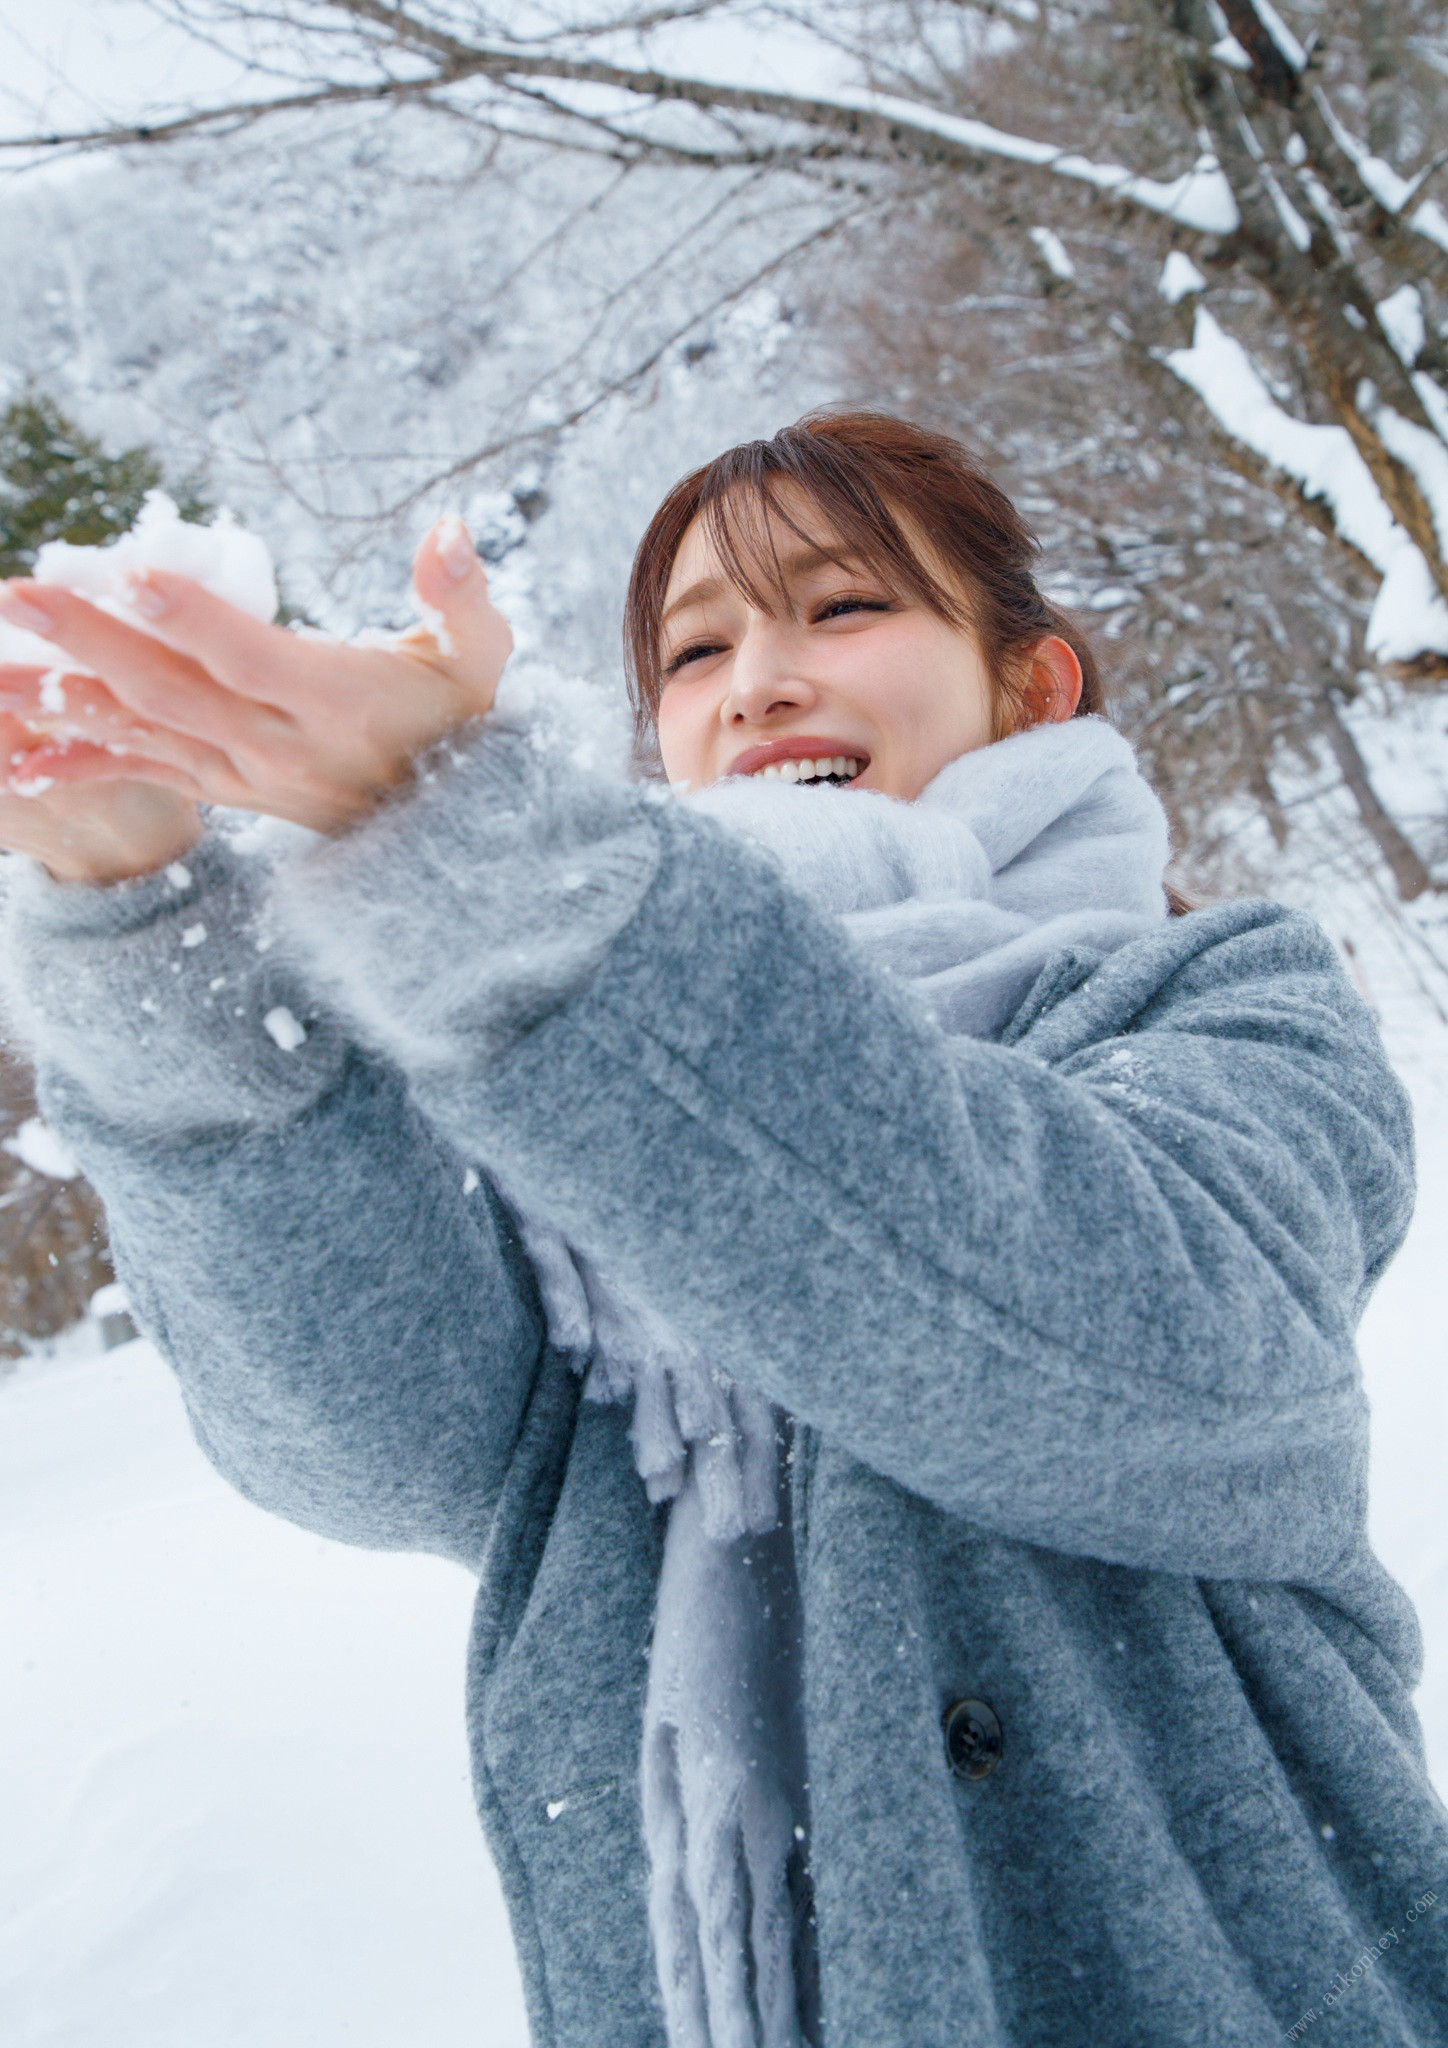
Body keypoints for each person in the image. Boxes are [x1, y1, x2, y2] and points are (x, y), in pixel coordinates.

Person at [0, 410, 1444, 2048]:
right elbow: (367, 1444)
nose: (756, 680)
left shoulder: (1218, 1003)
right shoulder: (567, 1109)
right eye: (694, 651)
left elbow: (1133, 1349)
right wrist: (140, 916)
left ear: (1031, 685)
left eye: (841, 609)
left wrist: (483, 866)